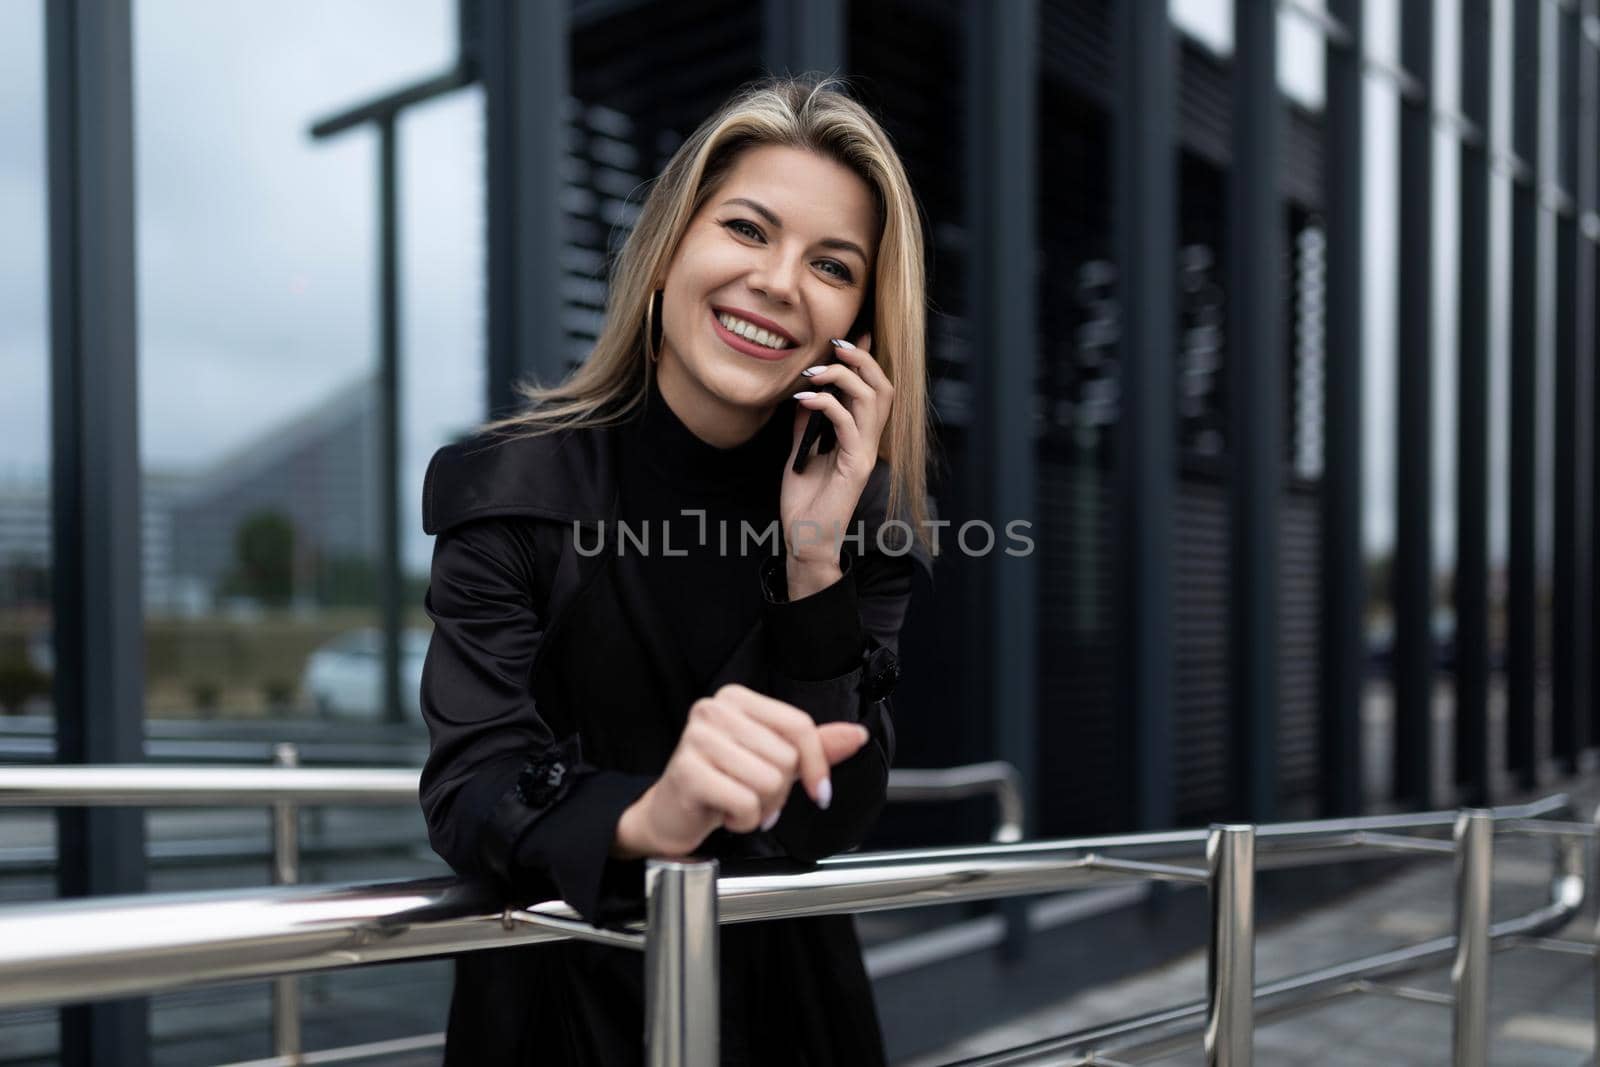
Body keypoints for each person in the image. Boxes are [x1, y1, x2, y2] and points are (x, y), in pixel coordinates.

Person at [417, 72, 935, 1066]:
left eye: (831, 263)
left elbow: (836, 817)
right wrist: (651, 815)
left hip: (789, 1016)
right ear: (666, 255)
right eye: (746, 229)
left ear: (859, 325)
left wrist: (813, 554)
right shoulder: (507, 487)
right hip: (558, 1006)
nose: (779, 281)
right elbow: (469, 787)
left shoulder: (859, 530)